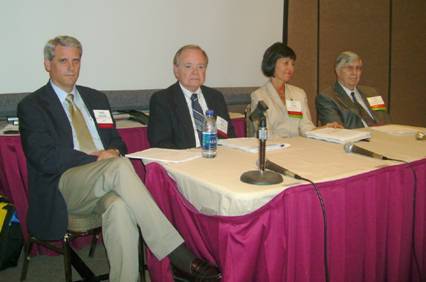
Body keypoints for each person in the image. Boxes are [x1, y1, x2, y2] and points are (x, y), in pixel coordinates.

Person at [17, 35, 220, 282]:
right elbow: (44, 157)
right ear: (48, 64)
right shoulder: (33, 105)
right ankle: (176, 251)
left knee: (120, 208)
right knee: (117, 166)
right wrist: (95, 158)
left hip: (106, 182)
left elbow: (117, 143)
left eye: (76, 60)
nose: (71, 67)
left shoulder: (95, 99)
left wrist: (111, 153)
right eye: (63, 61)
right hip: (65, 185)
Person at [148, 44, 235, 149]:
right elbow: (161, 144)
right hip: (184, 161)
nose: (195, 72)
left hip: (217, 157)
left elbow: (228, 136)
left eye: (200, 67)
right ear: (176, 70)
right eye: (188, 66)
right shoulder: (162, 100)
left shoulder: (216, 97)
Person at [250, 42, 340, 138]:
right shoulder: (259, 96)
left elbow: (306, 128)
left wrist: (325, 129)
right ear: (272, 64)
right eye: (286, 63)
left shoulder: (299, 94)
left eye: (293, 64)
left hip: (297, 148)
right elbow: (265, 133)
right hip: (274, 149)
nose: (291, 68)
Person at [316, 51, 391, 129]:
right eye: (349, 68)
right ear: (338, 71)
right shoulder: (327, 98)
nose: (354, 73)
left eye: (358, 68)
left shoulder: (372, 93)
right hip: (357, 139)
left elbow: (385, 120)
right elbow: (336, 130)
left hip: (383, 136)